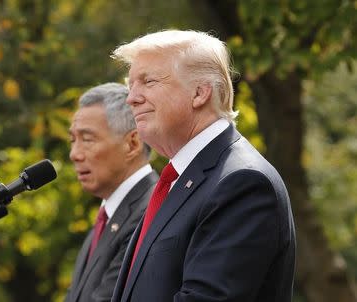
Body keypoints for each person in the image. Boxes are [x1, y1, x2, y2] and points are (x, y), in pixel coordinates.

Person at [110, 30, 296, 302]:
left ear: (200, 92)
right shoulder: (180, 181)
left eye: (147, 82)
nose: (132, 98)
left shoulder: (242, 182)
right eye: (130, 85)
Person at [65, 83, 158, 302]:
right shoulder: (108, 216)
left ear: (132, 143)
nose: (74, 154)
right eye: (72, 140)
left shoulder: (151, 210)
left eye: (87, 139)